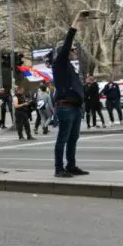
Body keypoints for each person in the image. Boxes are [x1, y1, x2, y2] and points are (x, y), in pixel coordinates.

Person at [53, 10, 90, 178]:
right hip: (66, 107)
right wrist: (76, 22)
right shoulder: (60, 63)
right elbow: (68, 42)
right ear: (65, 51)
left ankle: (71, 165)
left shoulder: (68, 66)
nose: (73, 51)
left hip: (74, 108)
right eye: (72, 50)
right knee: (63, 139)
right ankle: (59, 169)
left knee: (73, 139)